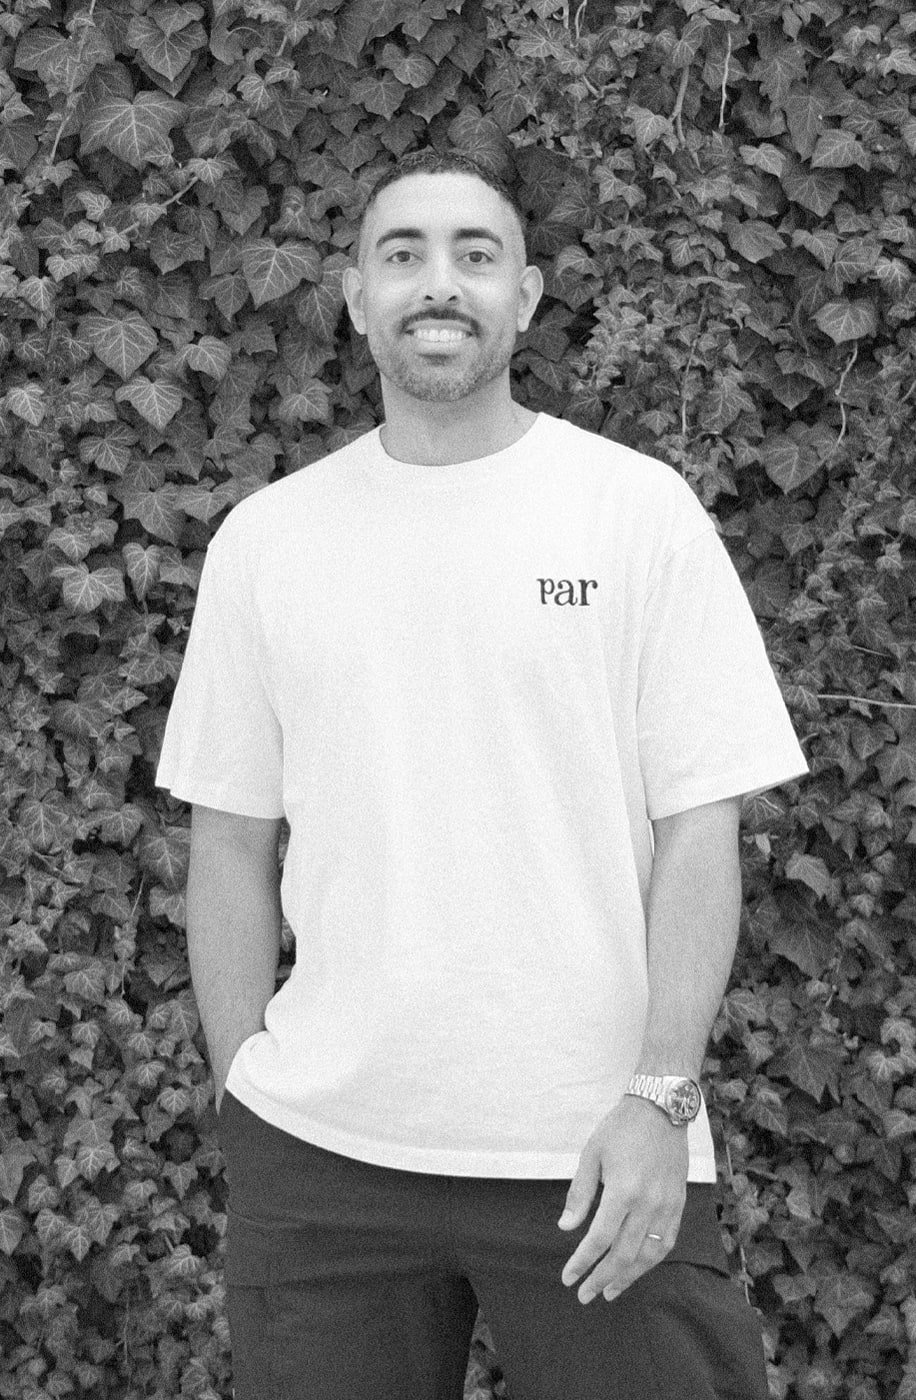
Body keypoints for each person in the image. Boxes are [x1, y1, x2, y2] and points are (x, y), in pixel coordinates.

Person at [155, 149, 808, 1400]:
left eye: (473, 253)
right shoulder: (268, 542)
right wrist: (245, 1091)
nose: (436, 283)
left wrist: (662, 1098)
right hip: (322, 1162)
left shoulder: (635, 512)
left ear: (529, 293)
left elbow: (699, 826)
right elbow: (230, 838)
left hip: (599, 1150)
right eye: (401, 254)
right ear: (355, 296)